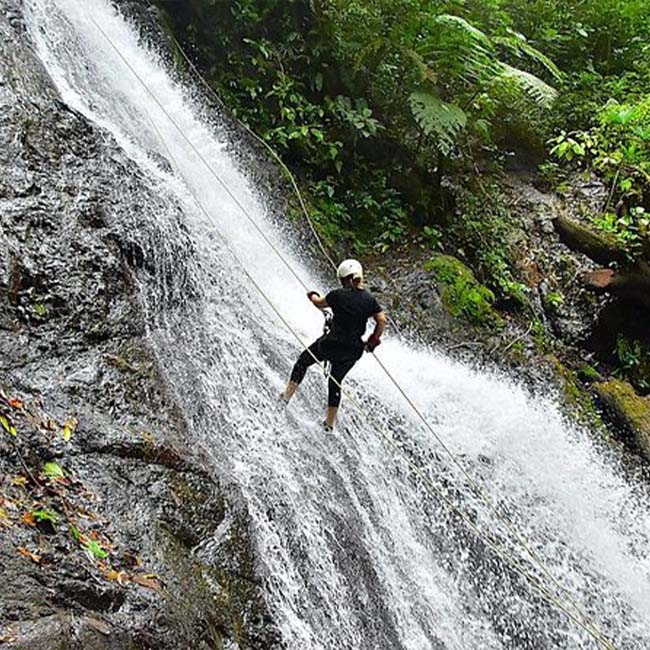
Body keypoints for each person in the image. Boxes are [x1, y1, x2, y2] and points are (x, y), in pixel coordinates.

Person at [281, 259, 387, 431]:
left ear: (343, 279)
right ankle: (329, 424)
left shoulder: (337, 295)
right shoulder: (369, 300)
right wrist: (373, 340)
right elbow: (381, 320)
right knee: (335, 381)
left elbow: (318, 303)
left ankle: (286, 397)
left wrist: (312, 295)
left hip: (331, 344)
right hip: (353, 350)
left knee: (304, 360)